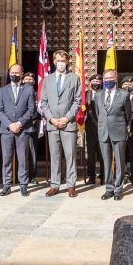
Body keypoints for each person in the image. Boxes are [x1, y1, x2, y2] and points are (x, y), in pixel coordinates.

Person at [40, 51, 82, 197]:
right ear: (53, 62)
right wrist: (51, 119)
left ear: (67, 61)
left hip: (68, 124)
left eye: (63, 60)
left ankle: (71, 185)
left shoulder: (74, 79)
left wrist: (66, 117)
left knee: (70, 156)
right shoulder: (47, 80)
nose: (60, 63)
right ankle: (55, 185)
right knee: (55, 156)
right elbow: (43, 102)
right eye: (58, 60)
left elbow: (77, 101)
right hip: (52, 125)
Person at [0, 64, 35, 197]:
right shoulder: (2, 90)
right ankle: (6, 185)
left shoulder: (28, 89)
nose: (14, 75)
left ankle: (23, 185)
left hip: (23, 129)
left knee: (23, 158)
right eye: (12, 72)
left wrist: (19, 123)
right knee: (6, 158)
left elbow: (31, 109)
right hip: (7, 130)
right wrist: (10, 124)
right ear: (9, 73)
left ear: (22, 73)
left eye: (17, 73)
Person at [95, 69, 132, 200]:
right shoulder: (98, 95)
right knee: (106, 162)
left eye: (111, 78)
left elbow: (128, 114)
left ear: (115, 79)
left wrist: (125, 127)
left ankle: (118, 189)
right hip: (103, 131)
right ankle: (109, 188)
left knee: (120, 161)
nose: (108, 80)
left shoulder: (123, 94)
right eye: (106, 78)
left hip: (119, 130)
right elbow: (98, 114)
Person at [85, 74, 104, 184]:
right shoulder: (86, 94)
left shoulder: (104, 94)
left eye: (98, 82)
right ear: (90, 83)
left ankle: (103, 176)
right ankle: (91, 176)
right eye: (94, 82)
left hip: (102, 127)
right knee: (91, 153)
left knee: (103, 153)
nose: (96, 83)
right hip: (90, 127)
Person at [23, 72, 40, 184]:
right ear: (23, 80)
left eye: (31, 79)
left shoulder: (38, 94)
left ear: (34, 82)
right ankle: (20, 176)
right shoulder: (18, 92)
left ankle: (32, 176)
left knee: (32, 151)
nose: (28, 81)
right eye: (26, 79)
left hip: (33, 125)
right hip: (20, 125)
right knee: (21, 152)